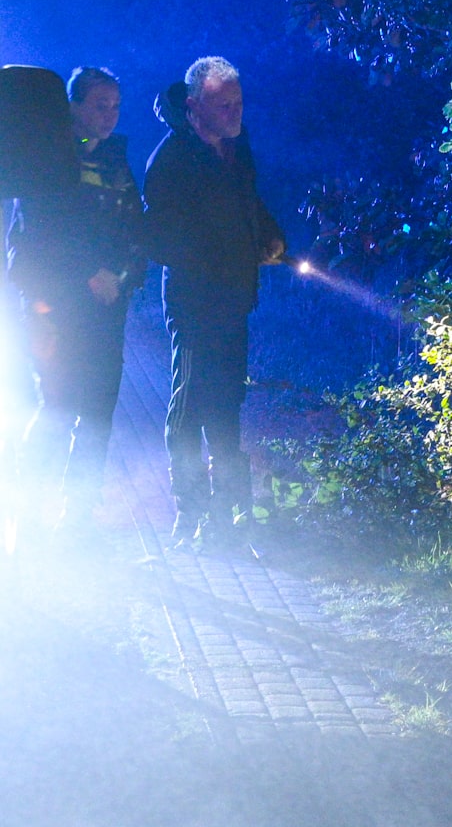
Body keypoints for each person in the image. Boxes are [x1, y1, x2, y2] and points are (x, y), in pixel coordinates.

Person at [142, 57, 286, 546]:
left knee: (226, 406)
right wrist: (216, 254)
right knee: (190, 406)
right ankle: (191, 511)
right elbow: (158, 237)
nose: (234, 112)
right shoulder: (171, 159)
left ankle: (229, 516)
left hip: (233, 298)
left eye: (238, 102)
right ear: (194, 105)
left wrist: (267, 236)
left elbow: (250, 202)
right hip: (193, 300)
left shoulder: (235, 150)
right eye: (223, 104)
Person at [6, 67, 147, 528]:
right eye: (100, 105)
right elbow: (40, 235)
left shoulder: (116, 160)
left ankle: (79, 513)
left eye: (116, 106)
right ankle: (24, 509)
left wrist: (121, 275)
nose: (110, 116)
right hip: (59, 307)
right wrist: (88, 273)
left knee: (99, 409)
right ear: (73, 105)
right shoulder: (46, 156)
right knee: (59, 404)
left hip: (108, 305)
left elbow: (133, 226)